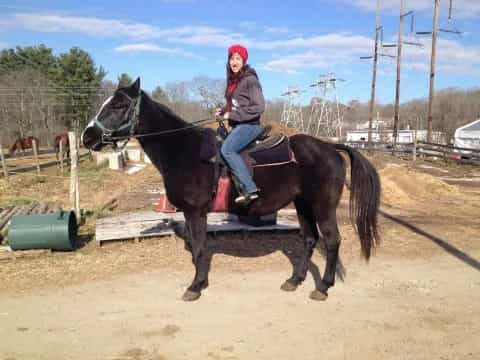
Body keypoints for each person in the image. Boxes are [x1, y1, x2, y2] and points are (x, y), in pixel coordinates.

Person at [216, 44, 265, 205]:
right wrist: (223, 111)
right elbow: (236, 104)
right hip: (238, 125)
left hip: (250, 125)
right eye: (231, 58)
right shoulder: (234, 81)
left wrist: (232, 115)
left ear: (244, 61)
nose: (234, 62)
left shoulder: (250, 80)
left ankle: (250, 189)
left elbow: (259, 107)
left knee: (227, 150)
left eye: (238, 58)